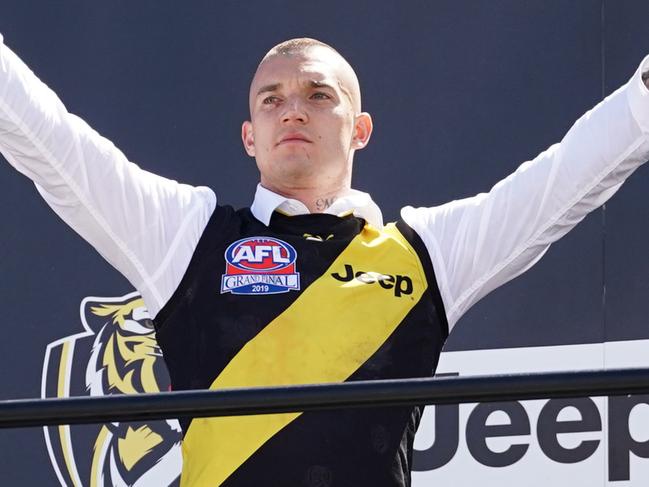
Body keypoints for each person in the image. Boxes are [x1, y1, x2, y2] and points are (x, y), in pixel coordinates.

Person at [1, 34, 648, 487]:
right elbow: (56, 148)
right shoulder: (186, 235)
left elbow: (558, 184)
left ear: (358, 128)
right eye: (271, 99)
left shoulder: (423, 253)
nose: (292, 110)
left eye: (318, 94)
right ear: (249, 136)